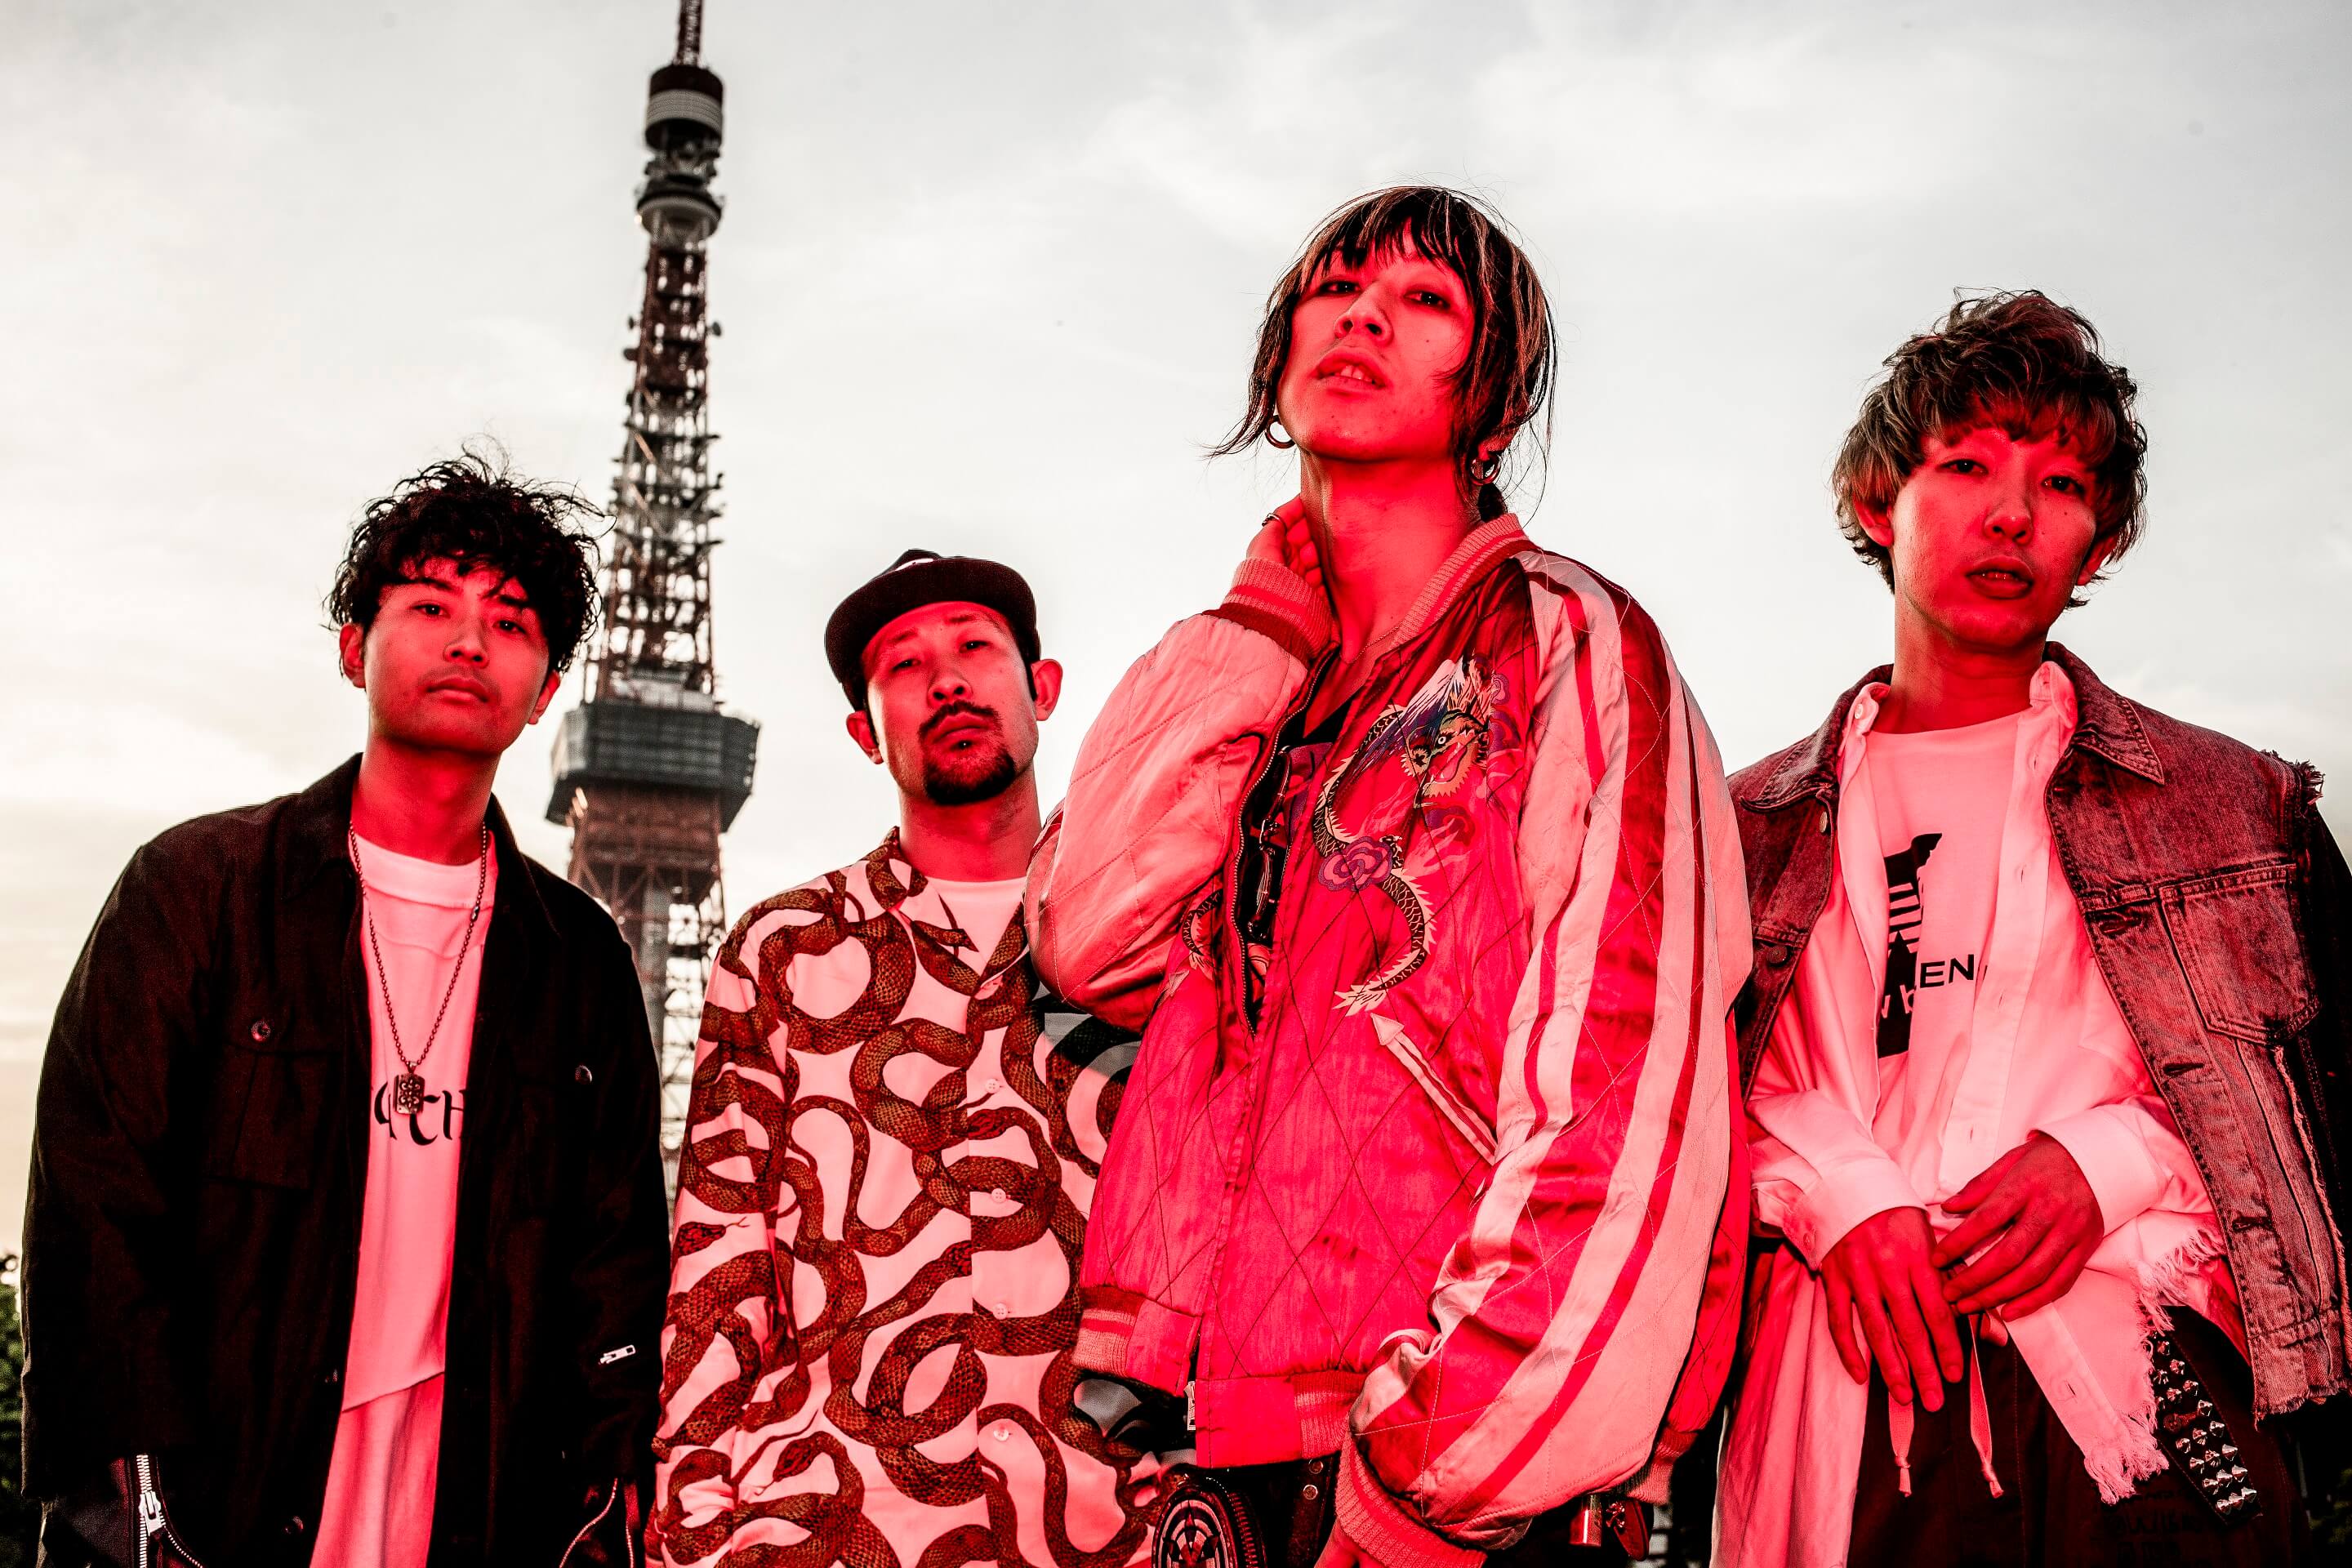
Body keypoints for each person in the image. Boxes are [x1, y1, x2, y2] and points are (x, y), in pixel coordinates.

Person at [1024, 186, 1752, 1568]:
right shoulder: (1262, 680)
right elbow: (1090, 935)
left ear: (1498, 402)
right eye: (1335, 287)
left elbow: (1623, 1093)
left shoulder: (1568, 646)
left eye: (1426, 301)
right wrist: (1259, 626)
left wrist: (1439, 1467)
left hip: (1450, 1481)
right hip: (1216, 1460)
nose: (1363, 315)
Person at [1713, 292, 2350, 1566]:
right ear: (1877, 501)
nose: (2012, 514)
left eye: (2060, 485)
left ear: (2098, 543)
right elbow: (1664, 1112)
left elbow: (2322, 1106)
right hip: (1839, 1421)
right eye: (1966, 466)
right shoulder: (1739, 828)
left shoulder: (2237, 805)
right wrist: (1837, 1191)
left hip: (2153, 1407)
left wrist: (2109, 1161)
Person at [24, 451, 668, 1566]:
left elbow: (615, 1258)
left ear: (546, 692)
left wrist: (607, 1488)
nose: (470, 641)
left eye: (511, 621)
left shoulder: (582, 961)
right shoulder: (196, 891)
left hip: (478, 1504)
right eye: (432, 605)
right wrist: (133, 1511)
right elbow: (96, 1213)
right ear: (353, 647)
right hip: (220, 1504)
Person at [649, 550, 1165, 1568]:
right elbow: (721, 1260)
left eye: (976, 646)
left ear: (1044, 687)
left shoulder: (1155, 941)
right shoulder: (782, 953)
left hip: (1108, 1528)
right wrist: (696, 1525)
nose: (947, 680)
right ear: (864, 732)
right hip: (827, 1527)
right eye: (905, 665)